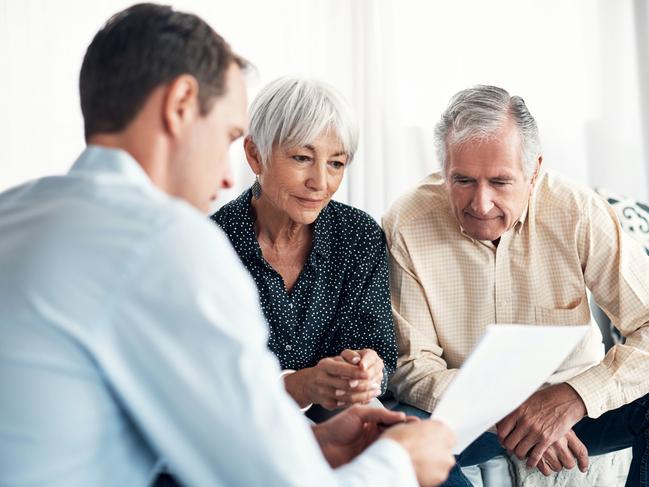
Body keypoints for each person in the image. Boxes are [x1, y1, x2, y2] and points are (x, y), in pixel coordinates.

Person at [0, 4, 457, 486]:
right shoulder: (166, 242)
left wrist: (310, 444)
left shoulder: (14, 214)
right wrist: (402, 463)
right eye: (227, 137)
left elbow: (145, 422)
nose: (224, 177)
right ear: (180, 105)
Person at [382, 85, 649, 486]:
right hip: (468, 415)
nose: (481, 203)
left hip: (572, 403)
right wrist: (510, 410)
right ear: (443, 169)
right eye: (464, 180)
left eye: (501, 182)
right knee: (400, 441)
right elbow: (413, 366)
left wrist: (576, 397)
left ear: (534, 170)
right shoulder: (406, 223)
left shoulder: (577, 212)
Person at [211, 77, 396, 414]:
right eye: (301, 158)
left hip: (344, 421)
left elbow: (377, 348)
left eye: (336, 163)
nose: (320, 182)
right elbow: (208, 382)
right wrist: (301, 385)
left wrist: (369, 369)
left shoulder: (359, 236)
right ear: (255, 155)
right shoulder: (210, 245)